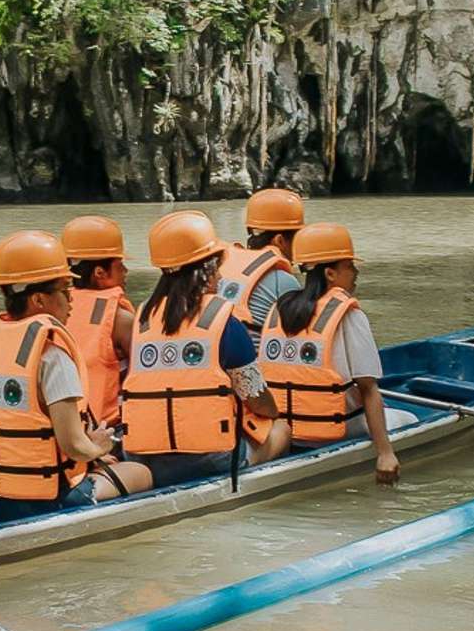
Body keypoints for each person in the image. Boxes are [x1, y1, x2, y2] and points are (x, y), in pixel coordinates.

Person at [120, 210, 291, 490]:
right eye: (217, 266)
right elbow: (257, 398)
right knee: (281, 429)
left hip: (145, 457)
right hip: (210, 459)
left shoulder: (143, 319)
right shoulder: (222, 321)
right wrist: (275, 414)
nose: (221, 275)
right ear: (207, 270)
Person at [0, 230, 118, 520]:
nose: (71, 300)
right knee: (141, 472)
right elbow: (74, 446)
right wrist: (98, 448)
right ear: (38, 299)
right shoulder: (53, 357)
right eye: (64, 290)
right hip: (52, 497)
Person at [257, 222, 415, 485]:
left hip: (285, 430)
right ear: (330, 273)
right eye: (350, 266)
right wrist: (385, 453)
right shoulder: (348, 314)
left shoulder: (279, 308)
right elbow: (369, 389)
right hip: (333, 430)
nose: (356, 272)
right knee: (409, 417)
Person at [59, 215, 135, 428]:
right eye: (121, 265)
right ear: (100, 273)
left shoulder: (49, 312)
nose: (126, 272)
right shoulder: (122, 320)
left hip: (63, 429)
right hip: (108, 431)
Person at [218, 187, 306, 334]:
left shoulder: (223, 265)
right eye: (298, 237)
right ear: (279, 241)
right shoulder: (283, 282)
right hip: (254, 355)